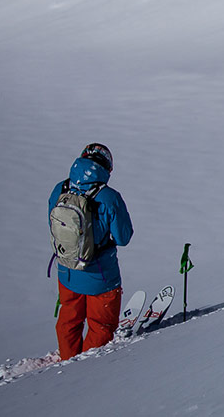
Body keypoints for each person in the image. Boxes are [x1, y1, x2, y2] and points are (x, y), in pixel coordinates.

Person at [48, 143, 134, 360]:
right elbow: (124, 238)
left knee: (69, 320)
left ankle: (67, 362)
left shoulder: (60, 189)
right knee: (101, 325)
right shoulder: (109, 197)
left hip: (66, 269)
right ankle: (86, 371)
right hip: (101, 275)